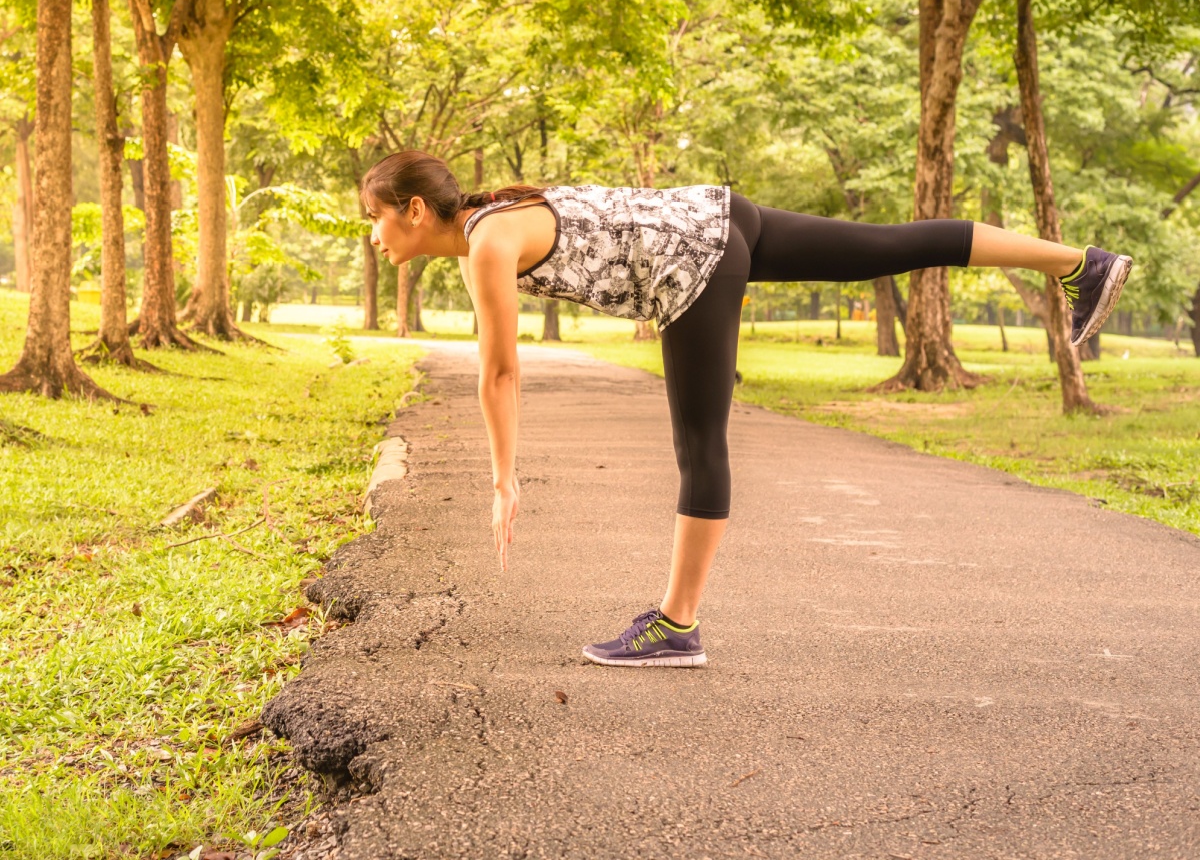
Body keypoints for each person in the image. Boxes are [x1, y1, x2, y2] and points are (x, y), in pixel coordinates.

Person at [360, 150, 1133, 668]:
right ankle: (1081, 263)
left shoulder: (487, 243)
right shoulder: (497, 213)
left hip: (692, 264)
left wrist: (504, 480)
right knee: (887, 243)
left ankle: (677, 625)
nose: (372, 235)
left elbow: (500, 372)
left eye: (375, 217)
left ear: (415, 210)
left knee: (700, 444)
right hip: (723, 217)